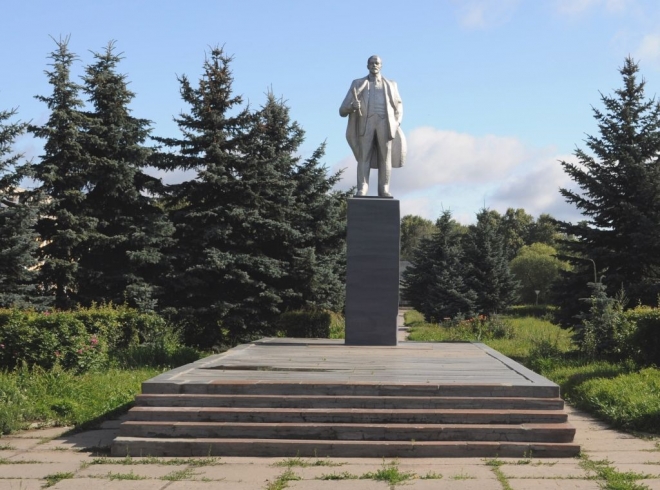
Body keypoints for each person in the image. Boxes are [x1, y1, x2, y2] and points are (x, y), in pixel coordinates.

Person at [339, 55, 406, 197]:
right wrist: (352, 106)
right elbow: (342, 110)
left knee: (385, 157)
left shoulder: (391, 84)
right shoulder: (358, 84)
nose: (374, 65)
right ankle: (362, 187)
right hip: (366, 123)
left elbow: (399, 106)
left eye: (377, 63)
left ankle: (384, 188)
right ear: (367, 66)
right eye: (371, 63)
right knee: (364, 157)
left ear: (381, 65)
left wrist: (397, 122)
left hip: (385, 123)